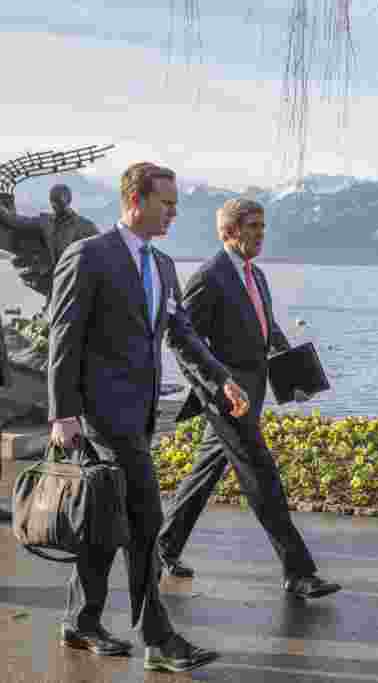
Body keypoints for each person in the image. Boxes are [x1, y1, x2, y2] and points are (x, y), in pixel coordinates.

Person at [48, 162, 251, 673]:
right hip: (98, 417)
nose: (175, 212)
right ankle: (157, 637)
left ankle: (81, 620)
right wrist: (62, 412)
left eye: (176, 204)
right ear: (135, 201)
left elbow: (180, 330)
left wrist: (221, 376)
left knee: (103, 518)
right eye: (167, 203)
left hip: (139, 415)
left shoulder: (161, 265)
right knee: (146, 518)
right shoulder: (89, 255)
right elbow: (64, 336)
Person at [157, 198, 341, 600]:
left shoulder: (254, 275)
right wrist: (212, 387)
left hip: (253, 389)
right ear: (229, 231)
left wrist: (293, 366)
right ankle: (298, 571)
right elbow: (181, 339)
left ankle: (162, 548)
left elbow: (264, 323)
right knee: (262, 477)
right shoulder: (210, 276)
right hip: (227, 397)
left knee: (204, 474)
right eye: (253, 226)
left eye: (262, 226)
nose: (260, 234)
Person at [0, 184, 99, 314]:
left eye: (59, 201)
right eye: (54, 202)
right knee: (53, 310)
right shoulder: (46, 222)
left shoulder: (85, 226)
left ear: (68, 201)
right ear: (51, 203)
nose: (56, 205)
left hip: (74, 277)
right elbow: (17, 221)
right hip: (54, 274)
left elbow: (101, 249)